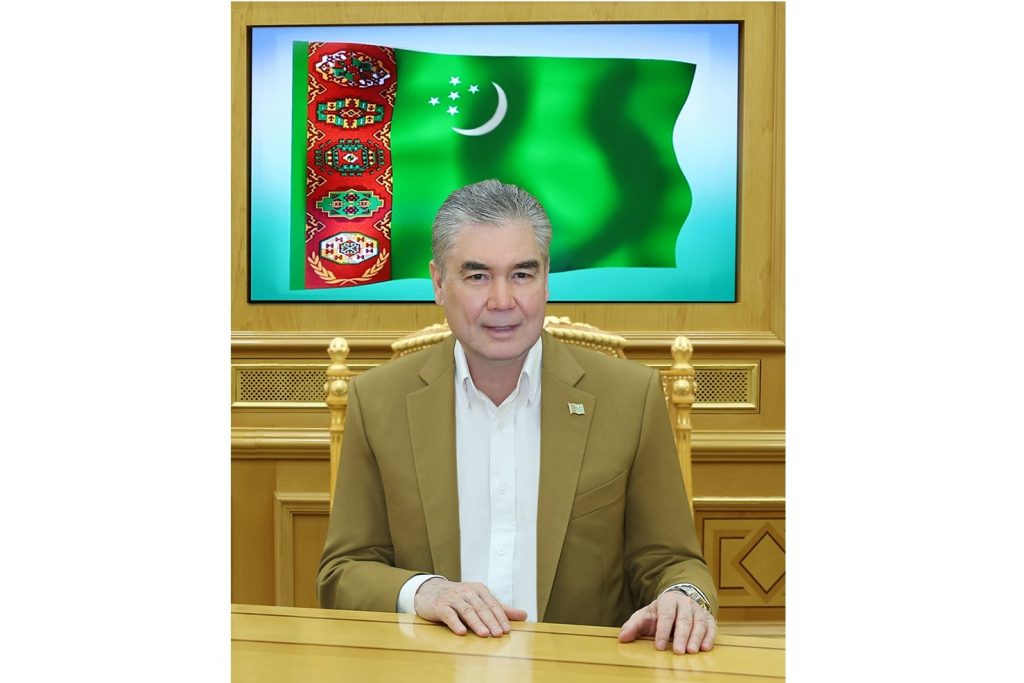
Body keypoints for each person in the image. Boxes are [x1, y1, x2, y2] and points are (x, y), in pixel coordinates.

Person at [317, 179, 718, 655]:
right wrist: (424, 591)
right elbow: (343, 572)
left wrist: (684, 598)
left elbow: (671, 562)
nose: (503, 301)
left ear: (547, 280)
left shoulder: (630, 397)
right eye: (478, 276)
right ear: (439, 284)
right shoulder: (378, 400)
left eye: (522, 275)